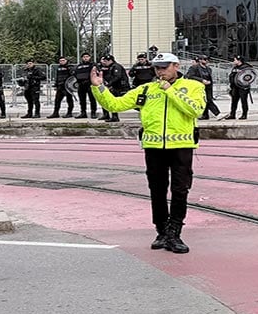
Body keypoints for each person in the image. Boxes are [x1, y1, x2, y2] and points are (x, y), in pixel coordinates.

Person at [90, 52, 204, 254]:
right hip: (153, 148)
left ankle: (174, 232)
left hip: (182, 147)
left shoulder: (194, 87)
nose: (160, 71)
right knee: (157, 190)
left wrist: (170, 91)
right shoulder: (146, 89)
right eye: (157, 68)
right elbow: (115, 104)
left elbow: (194, 110)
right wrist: (99, 87)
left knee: (180, 190)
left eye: (164, 67)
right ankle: (161, 231)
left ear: (176, 66)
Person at [185, 55, 219, 120]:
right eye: (204, 59)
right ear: (200, 60)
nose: (206, 61)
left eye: (207, 59)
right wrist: (201, 80)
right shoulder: (194, 68)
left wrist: (209, 82)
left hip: (208, 86)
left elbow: (209, 77)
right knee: (207, 100)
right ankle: (217, 113)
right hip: (199, 86)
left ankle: (205, 115)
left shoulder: (208, 69)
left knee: (207, 100)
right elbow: (190, 76)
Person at [99, 54, 129, 122]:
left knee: (125, 100)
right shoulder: (110, 67)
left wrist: (109, 84)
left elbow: (117, 77)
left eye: (106, 61)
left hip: (120, 87)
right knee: (108, 100)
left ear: (110, 60)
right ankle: (112, 116)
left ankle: (115, 117)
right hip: (114, 87)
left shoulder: (116, 66)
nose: (105, 62)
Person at [226, 55, 253, 120]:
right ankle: (232, 114)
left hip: (243, 87)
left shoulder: (246, 67)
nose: (233, 61)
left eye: (235, 60)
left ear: (239, 60)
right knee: (234, 101)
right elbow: (232, 76)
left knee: (243, 101)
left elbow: (249, 77)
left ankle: (244, 114)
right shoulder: (235, 68)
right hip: (235, 87)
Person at [73, 52, 97, 119]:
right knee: (82, 100)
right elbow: (75, 74)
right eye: (84, 57)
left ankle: (93, 112)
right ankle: (83, 113)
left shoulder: (93, 65)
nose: (85, 58)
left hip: (90, 84)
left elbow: (95, 73)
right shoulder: (78, 66)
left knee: (92, 99)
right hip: (81, 84)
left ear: (90, 57)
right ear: (82, 58)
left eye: (87, 56)